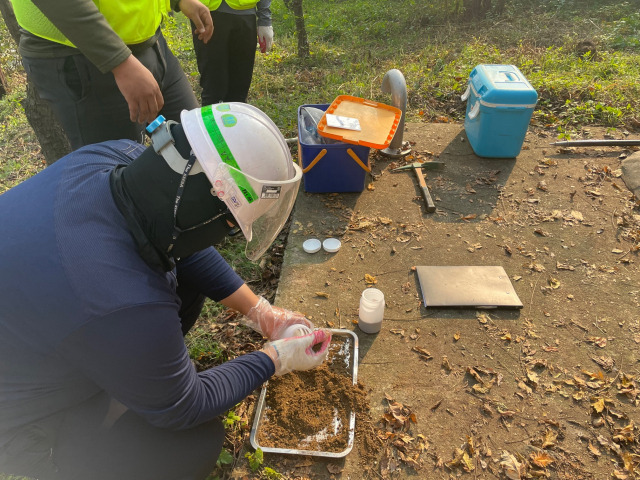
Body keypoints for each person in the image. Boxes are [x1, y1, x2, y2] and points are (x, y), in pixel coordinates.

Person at [0, 102, 332, 480]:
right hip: (20, 421)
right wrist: (275, 358)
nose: (228, 232)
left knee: (180, 286)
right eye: (229, 222)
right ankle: (68, 461)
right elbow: (186, 407)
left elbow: (181, 239)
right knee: (192, 442)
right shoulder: (121, 300)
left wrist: (262, 313)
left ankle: (131, 380)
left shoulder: (112, 157)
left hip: (38, 332)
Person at [10, 0, 214, 150]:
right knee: (122, 172)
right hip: (84, 57)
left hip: (149, 42)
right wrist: (119, 62)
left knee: (202, 146)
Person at [191, 0, 273, 105]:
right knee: (213, 88)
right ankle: (210, 121)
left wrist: (265, 19)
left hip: (245, 12)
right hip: (206, 12)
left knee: (239, 92)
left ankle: (235, 119)